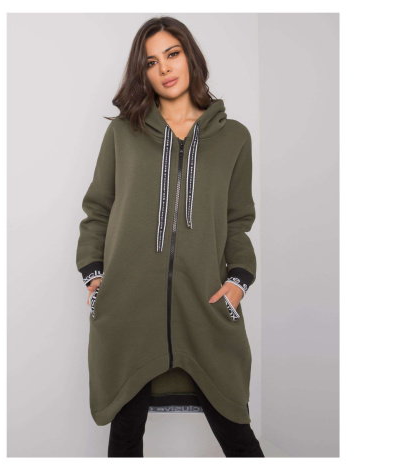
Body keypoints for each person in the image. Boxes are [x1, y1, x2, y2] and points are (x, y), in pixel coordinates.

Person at [76, 16, 264, 458]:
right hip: (129, 308)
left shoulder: (234, 138)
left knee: (237, 434)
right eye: (150, 62)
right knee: (126, 434)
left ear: (190, 56)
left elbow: (238, 219)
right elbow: (98, 209)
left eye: (172, 54)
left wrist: (238, 281)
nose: (164, 68)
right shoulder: (123, 133)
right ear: (142, 72)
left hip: (205, 303)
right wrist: (95, 277)